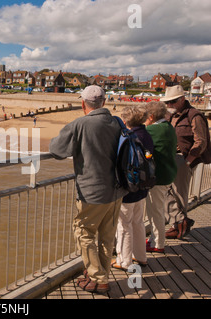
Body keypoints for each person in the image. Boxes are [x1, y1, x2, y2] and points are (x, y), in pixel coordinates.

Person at [49, 85, 127, 294]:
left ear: (83, 103)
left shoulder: (80, 124)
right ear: (104, 102)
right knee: (106, 236)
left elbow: (56, 150)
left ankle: (99, 277)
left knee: (83, 232)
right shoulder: (117, 122)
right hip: (117, 189)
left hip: (92, 191)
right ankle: (100, 273)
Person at [161, 85, 209, 239]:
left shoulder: (194, 115)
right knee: (164, 191)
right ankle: (181, 222)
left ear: (182, 99)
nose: (169, 105)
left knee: (179, 194)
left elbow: (201, 142)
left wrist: (187, 161)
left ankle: (178, 226)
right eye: (167, 102)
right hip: (168, 158)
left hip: (182, 158)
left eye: (172, 101)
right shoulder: (169, 115)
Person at [112, 105, 154, 271]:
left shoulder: (129, 136)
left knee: (124, 225)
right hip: (143, 186)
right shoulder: (146, 134)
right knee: (138, 222)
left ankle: (123, 261)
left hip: (129, 188)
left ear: (124, 120)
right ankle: (140, 256)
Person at [144, 101, 178, 253]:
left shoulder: (153, 130)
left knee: (155, 211)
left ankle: (158, 244)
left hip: (159, 177)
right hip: (168, 173)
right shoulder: (169, 127)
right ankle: (154, 239)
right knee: (157, 210)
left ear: (151, 116)